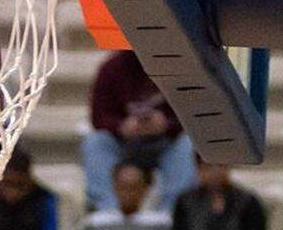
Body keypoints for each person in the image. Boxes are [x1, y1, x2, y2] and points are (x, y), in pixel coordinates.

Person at [81, 49, 197, 212]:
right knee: (95, 143)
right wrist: (121, 126)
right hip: (123, 142)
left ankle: (172, 212)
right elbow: (98, 116)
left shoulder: (178, 67)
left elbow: (193, 114)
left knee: (187, 145)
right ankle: (108, 210)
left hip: (165, 142)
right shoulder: (111, 68)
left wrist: (167, 124)